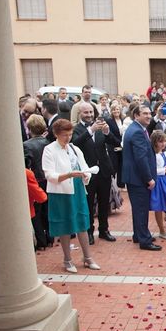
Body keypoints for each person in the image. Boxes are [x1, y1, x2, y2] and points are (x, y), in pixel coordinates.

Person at [42, 119, 101, 272]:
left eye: (70, 134)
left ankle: (87, 257)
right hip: (61, 192)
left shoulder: (74, 148)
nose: (68, 138)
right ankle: (67, 259)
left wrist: (85, 175)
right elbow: (49, 175)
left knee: (82, 222)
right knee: (65, 225)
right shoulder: (49, 149)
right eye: (64, 135)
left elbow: (84, 166)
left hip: (78, 189)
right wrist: (68, 175)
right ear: (56, 134)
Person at [72, 102, 120, 244]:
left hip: (104, 171)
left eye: (91, 112)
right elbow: (75, 144)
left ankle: (104, 230)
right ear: (80, 113)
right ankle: (89, 232)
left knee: (104, 202)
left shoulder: (100, 127)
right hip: (88, 173)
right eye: (86, 112)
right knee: (88, 203)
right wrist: (90, 131)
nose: (89, 115)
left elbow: (116, 142)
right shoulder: (77, 129)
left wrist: (106, 132)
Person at [122, 105, 161, 251]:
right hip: (138, 178)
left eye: (150, 113)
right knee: (141, 209)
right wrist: (149, 178)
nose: (149, 116)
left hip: (135, 178)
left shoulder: (137, 129)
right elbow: (141, 158)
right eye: (145, 114)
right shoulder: (137, 132)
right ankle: (144, 240)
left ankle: (139, 235)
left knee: (138, 208)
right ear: (136, 115)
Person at [23, 114, 51, 249]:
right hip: (48, 180)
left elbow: (27, 164)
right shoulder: (48, 143)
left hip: (36, 181)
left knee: (37, 213)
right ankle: (50, 237)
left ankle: (41, 240)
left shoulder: (26, 145)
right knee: (48, 210)